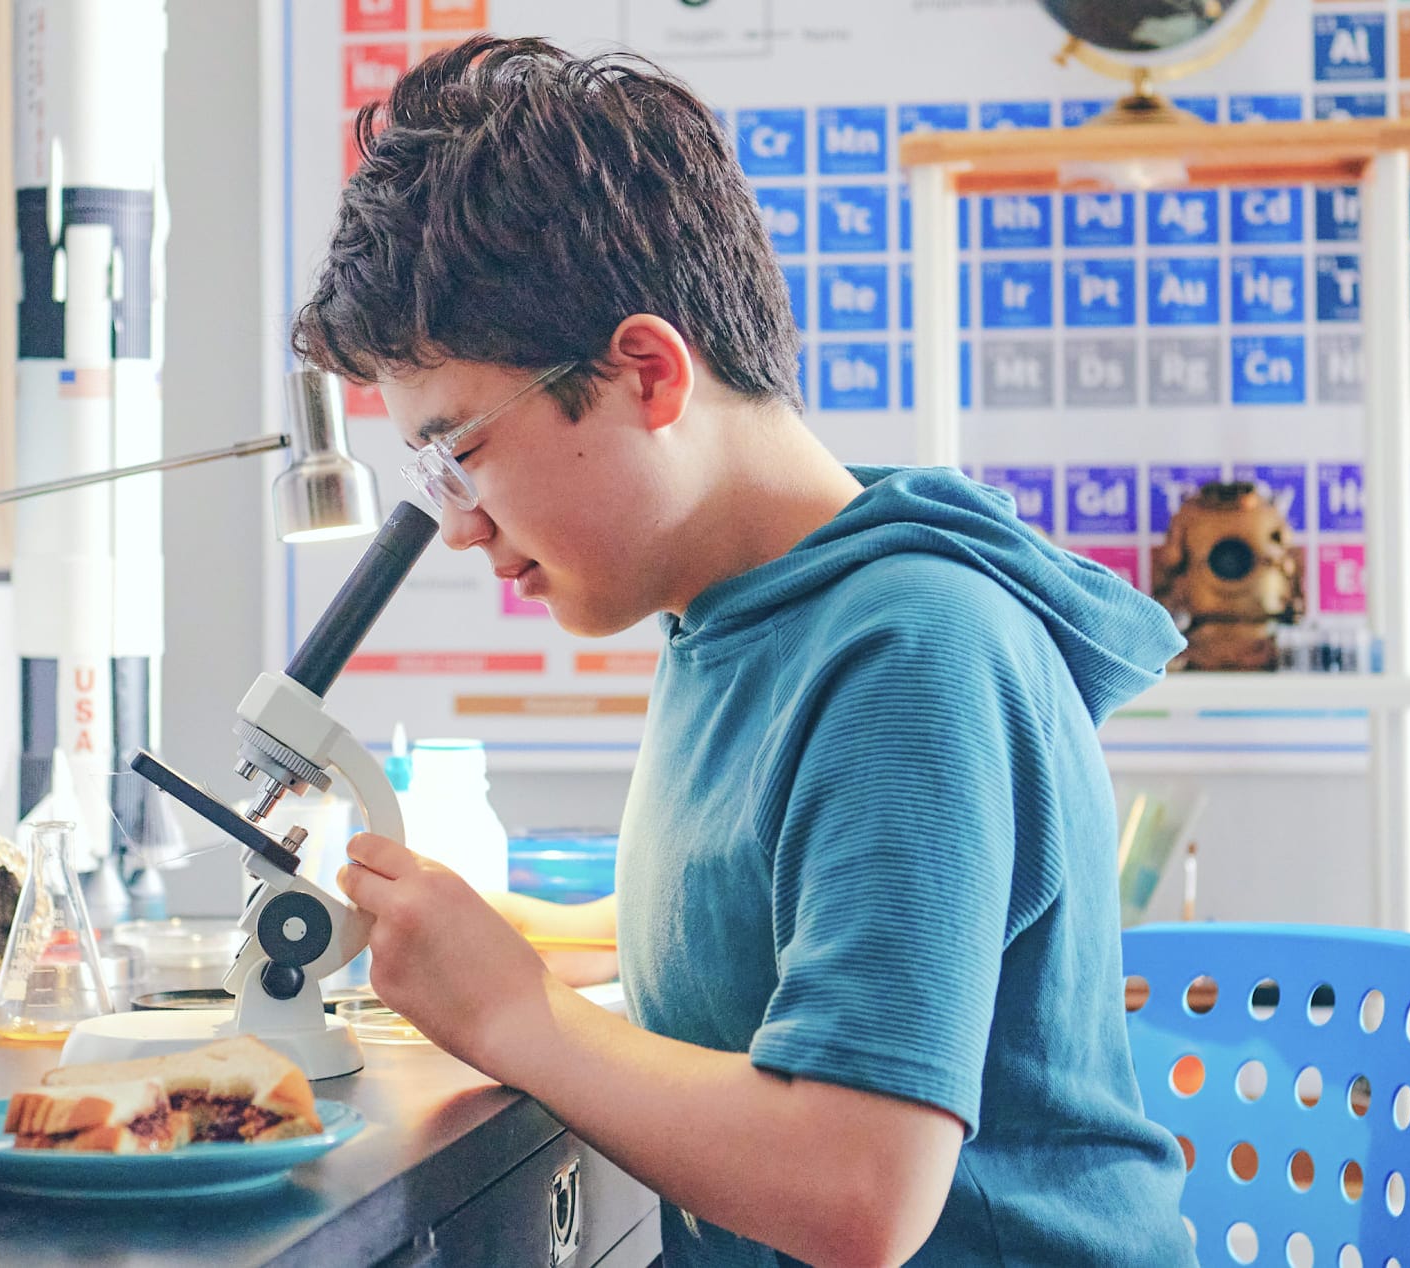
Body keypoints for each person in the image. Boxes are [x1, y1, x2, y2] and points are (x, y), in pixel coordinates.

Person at [294, 36, 1194, 1268]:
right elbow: (763, 920)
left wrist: (513, 1007)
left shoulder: (910, 654)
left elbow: (856, 1186)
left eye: (461, 451)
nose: (454, 523)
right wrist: (507, 928)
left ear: (645, 374)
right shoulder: (731, 615)